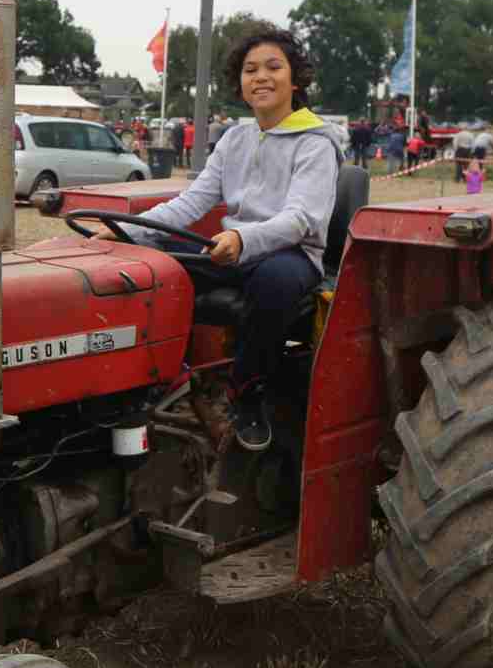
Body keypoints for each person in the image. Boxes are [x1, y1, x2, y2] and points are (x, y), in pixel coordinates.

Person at [133, 27, 340, 453]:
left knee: (275, 281)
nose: (260, 77)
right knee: (153, 260)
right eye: (250, 70)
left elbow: (301, 219)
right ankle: (165, 373)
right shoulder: (234, 139)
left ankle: (246, 391)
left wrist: (242, 239)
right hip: (232, 249)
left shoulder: (316, 142)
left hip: (290, 253)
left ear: (294, 80)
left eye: (273, 67)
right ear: (240, 82)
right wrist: (128, 230)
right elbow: (192, 202)